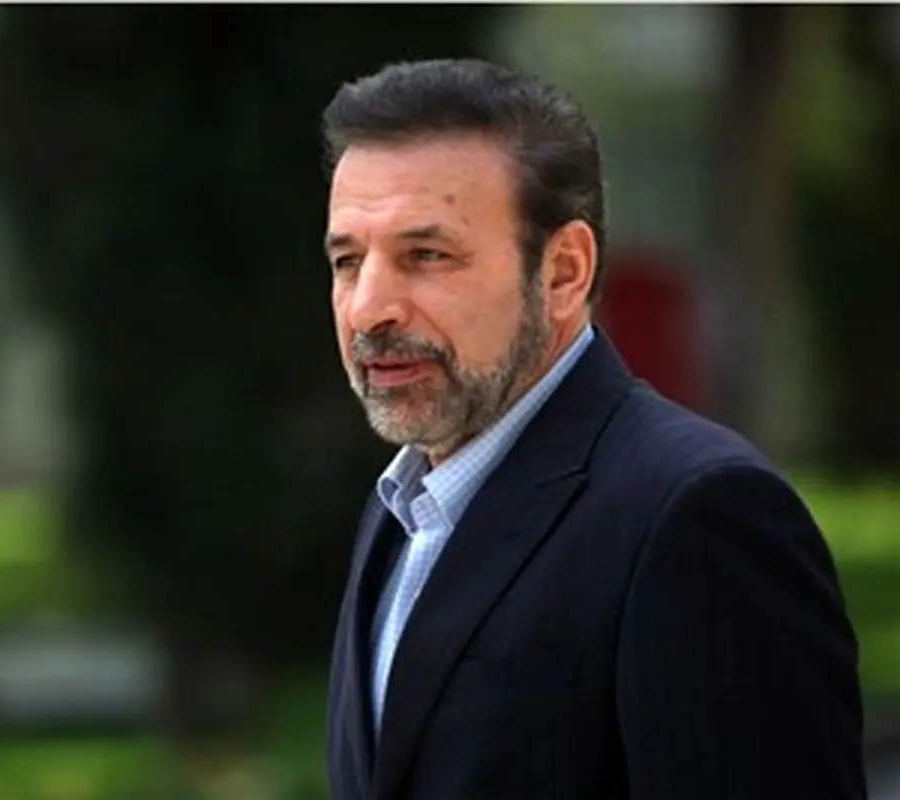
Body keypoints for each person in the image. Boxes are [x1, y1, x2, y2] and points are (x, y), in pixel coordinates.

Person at [322, 59, 866, 800]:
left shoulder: (698, 514)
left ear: (564, 272)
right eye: (348, 260)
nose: (369, 307)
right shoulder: (401, 509)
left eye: (427, 256)